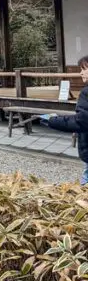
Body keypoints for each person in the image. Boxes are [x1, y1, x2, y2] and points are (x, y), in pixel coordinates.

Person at [39, 55, 88, 185]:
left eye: (84, 68)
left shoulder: (86, 93)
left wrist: (53, 120)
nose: (81, 72)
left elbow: (81, 122)